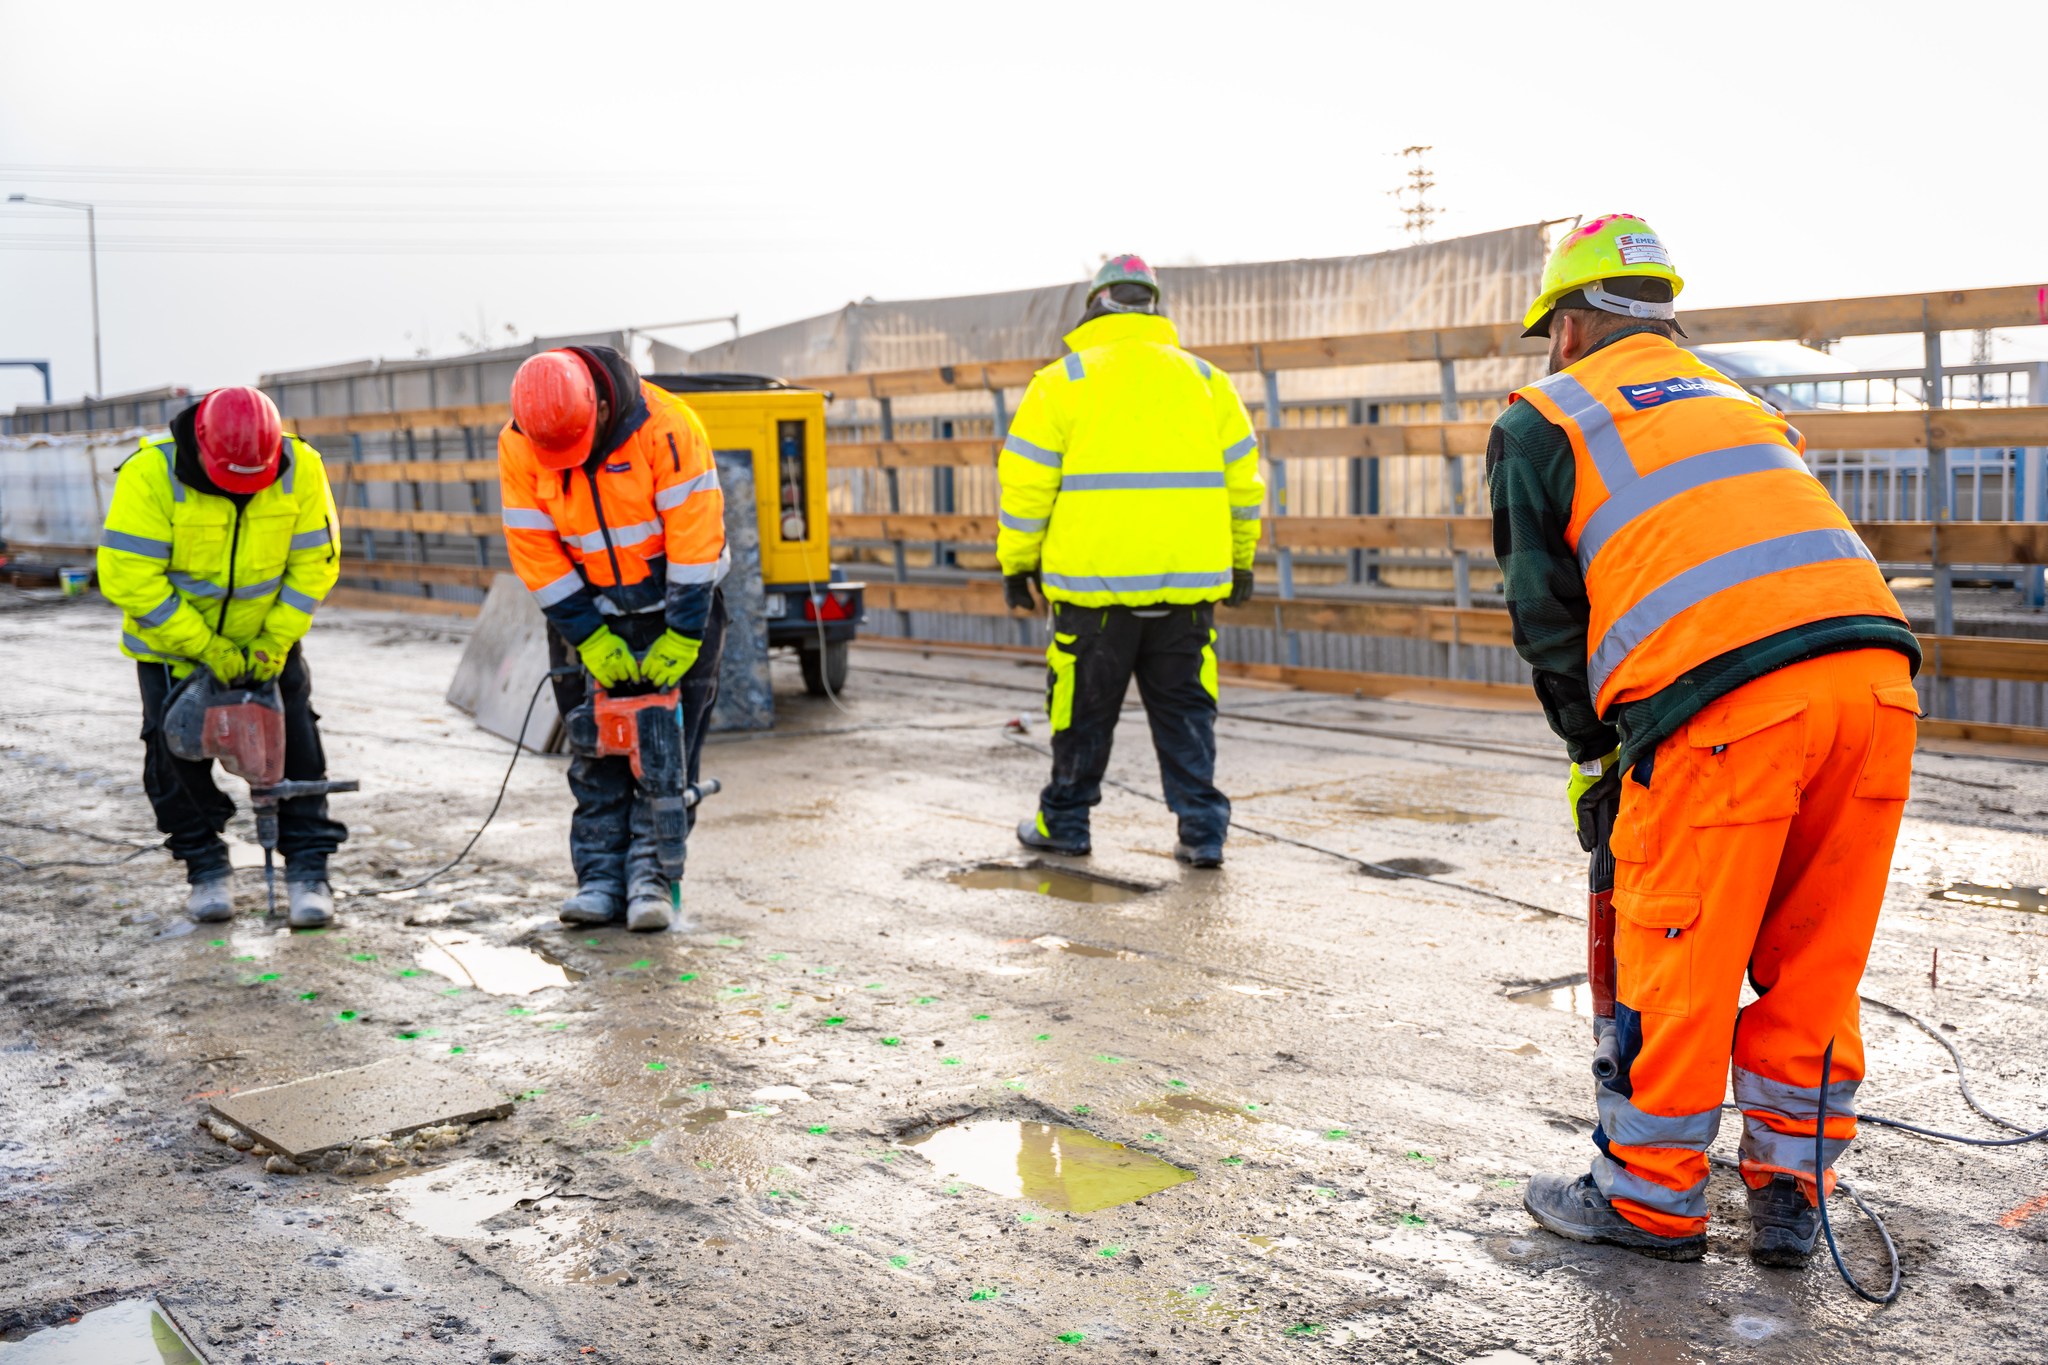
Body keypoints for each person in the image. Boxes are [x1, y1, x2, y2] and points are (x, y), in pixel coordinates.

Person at [1488, 215, 1922, 1265]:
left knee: (1677, 948)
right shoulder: (1741, 404)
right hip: (1876, 689)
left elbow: (1547, 621)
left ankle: (1645, 1199)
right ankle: (1787, 1190)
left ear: (1573, 321)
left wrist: (1595, 758)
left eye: (1551, 326)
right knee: (1814, 956)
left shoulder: (1546, 420)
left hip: (1729, 710)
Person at [997, 254, 1265, 867]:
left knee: (1081, 711)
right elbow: (1244, 485)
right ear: (1155, 307)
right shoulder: (1207, 381)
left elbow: (1026, 489)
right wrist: (1240, 561)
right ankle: (1202, 833)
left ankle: (1064, 823)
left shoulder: (1060, 382)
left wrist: (1015, 564)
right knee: (1187, 711)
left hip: (1093, 597)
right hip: (1186, 594)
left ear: (1093, 306)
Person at [95, 386, 347, 927]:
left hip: (267, 647)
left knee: (297, 751)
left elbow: (315, 565)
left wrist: (274, 641)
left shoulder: (301, 465)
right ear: (202, 447)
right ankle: (206, 867)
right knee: (175, 762)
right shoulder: (149, 474)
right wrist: (205, 648)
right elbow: (128, 576)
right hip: (174, 653)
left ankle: (308, 870)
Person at [498, 345, 726, 933]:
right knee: (593, 753)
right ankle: (599, 879)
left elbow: (695, 539)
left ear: (600, 406)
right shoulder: (522, 443)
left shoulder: (667, 427)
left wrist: (683, 633)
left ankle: (652, 877)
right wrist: (589, 636)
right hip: (586, 613)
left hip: (676, 604)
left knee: (665, 754)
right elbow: (535, 551)